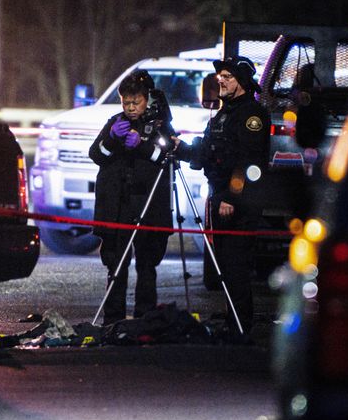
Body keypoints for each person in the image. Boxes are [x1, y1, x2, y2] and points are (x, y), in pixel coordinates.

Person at [175, 56, 271, 339]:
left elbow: (250, 162)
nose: (221, 81)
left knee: (236, 265)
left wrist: (232, 196)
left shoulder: (251, 115)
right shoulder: (223, 112)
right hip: (220, 198)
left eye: (227, 77)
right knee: (226, 265)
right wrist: (182, 149)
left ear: (241, 82)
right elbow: (208, 152)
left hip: (238, 204)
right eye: (220, 77)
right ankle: (233, 322)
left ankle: (241, 327)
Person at [88, 70, 173, 326]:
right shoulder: (114, 122)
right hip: (118, 206)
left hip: (148, 205)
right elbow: (96, 154)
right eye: (126, 102)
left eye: (136, 102)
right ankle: (113, 320)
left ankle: (145, 318)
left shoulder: (160, 125)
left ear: (147, 99)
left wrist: (144, 146)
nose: (131, 107)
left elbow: (167, 158)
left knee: (146, 266)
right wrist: (112, 139)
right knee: (116, 265)